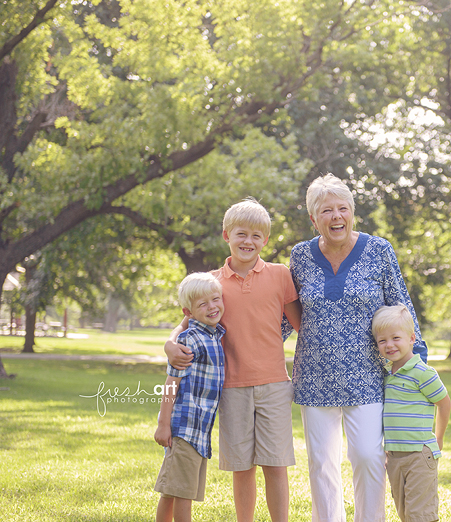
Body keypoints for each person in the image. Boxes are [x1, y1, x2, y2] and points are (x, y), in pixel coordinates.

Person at [287, 173, 428, 522]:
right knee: (321, 463)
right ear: (313, 218)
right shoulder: (301, 256)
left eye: (343, 208)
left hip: (367, 374)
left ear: (352, 212)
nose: (336, 217)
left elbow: (401, 305)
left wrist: (418, 358)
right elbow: (287, 313)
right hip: (315, 376)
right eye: (326, 211)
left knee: (367, 455)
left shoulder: (379, 251)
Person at [165, 198, 302, 522]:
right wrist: (169, 343)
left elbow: (302, 327)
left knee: (275, 464)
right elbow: (185, 323)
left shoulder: (280, 275)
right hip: (231, 389)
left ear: (265, 240)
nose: (248, 241)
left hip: (274, 386)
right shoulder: (213, 283)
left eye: (256, 236)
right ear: (226, 235)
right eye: (241, 234)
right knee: (242, 467)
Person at [154, 272, 226, 522]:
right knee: (181, 492)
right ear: (189, 312)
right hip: (184, 428)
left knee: (174, 490)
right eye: (202, 304)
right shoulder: (189, 340)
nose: (212, 307)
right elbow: (171, 384)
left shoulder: (215, 335)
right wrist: (163, 425)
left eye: (215, 299)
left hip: (198, 430)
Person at [372, 305, 451, 522]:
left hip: (419, 454)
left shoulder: (423, 373)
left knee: (420, 515)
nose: (389, 345)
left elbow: (444, 403)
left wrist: (439, 437)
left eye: (396, 338)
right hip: (394, 456)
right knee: (405, 513)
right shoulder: (387, 374)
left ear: (412, 338)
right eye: (382, 340)